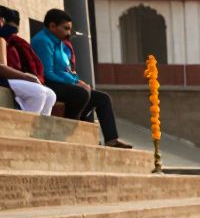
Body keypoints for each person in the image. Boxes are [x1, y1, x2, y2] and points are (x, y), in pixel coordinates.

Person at [30, 9, 130, 147]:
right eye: (65, 28)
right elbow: (48, 73)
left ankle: (111, 139)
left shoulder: (60, 43)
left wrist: (77, 81)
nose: (69, 33)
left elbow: (66, 70)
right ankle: (70, 130)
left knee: (103, 98)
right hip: (49, 83)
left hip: (62, 83)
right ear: (52, 26)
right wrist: (74, 82)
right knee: (80, 93)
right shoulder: (42, 41)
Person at [0, 6, 57, 116]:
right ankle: (21, 126)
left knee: (51, 95)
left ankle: (37, 127)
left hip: (5, 79)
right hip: (3, 79)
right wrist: (26, 77)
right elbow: (2, 68)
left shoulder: (5, 40)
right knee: (38, 93)